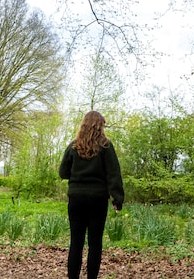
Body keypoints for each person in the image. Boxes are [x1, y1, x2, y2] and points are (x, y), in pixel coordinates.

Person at [59, 110, 124, 279]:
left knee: (76, 243)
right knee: (95, 244)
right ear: (100, 126)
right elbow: (113, 174)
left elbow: (63, 172)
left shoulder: (74, 146)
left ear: (84, 125)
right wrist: (118, 198)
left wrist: (77, 175)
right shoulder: (106, 146)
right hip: (97, 200)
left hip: (76, 199)